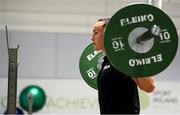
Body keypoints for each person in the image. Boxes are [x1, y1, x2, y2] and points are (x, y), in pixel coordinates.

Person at [90, 18, 155, 114]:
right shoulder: (106, 62)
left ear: (109, 34)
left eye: (96, 32)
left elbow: (149, 86)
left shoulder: (123, 58)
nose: (91, 38)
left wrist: (134, 59)